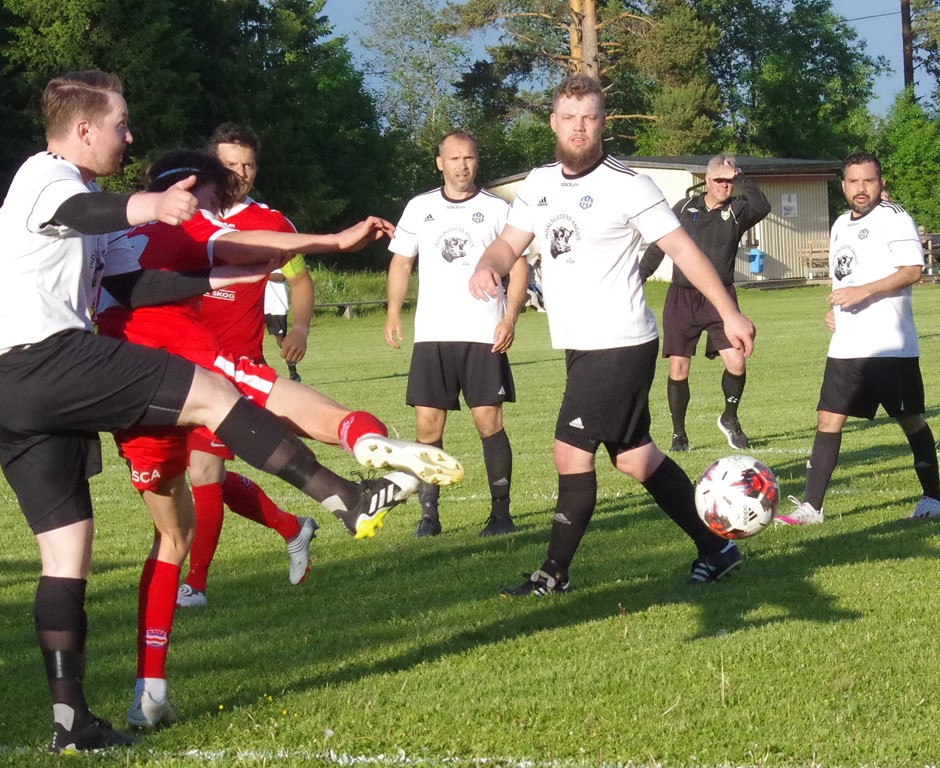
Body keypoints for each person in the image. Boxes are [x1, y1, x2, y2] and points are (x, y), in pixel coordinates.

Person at [0, 70, 462, 754]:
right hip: (38, 362)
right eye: (119, 123)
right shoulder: (49, 178)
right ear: (82, 130)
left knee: (66, 553)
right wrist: (150, 205)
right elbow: (84, 216)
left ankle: (70, 722)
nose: (128, 134)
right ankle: (344, 499)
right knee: (214, 394)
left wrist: (239, 271)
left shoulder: (79, 194)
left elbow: (143, 283)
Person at [97, 148, 466, 731]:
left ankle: (150, 687)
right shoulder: (196, 218)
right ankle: (357, 448)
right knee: (261, 393)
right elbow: (259, 249)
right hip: (174, 346)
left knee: (170, 533)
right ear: (200, 188)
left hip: (114, 373)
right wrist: (337, 241)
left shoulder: (113, 223)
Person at [468, 74, 756, 596]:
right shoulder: (539, 183)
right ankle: (717, 548)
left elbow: (685, 252)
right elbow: (509, 244)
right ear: (555, 122)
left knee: (569, 452)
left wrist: (729, 313)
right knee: (634, 456)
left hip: (620, 341)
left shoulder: (629, 184)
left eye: (590, 118)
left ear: (603, 123)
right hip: (582, 345)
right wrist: (487, 265)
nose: (579, 127)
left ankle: (552, 575)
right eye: (570, 118)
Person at [179, 123, 317, 607]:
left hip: (233, 370)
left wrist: (298, 328)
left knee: (204, 470)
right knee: (184, 476)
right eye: (231, 164)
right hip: (175, 364)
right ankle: (291, 527)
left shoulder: (271, 223)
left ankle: (194, 584)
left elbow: (299, 279)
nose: (241, 173)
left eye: (249, 164)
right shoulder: (182, 214)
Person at [775, 151, 940, 525]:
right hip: (847, 346)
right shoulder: (839, 225)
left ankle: (934, 498)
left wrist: (863, 292)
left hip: (889, 345)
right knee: (827, 419)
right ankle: (811, 508)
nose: (861, 188)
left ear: (881, 183)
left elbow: (913, 270)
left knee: (911, 419)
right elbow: (844, 279)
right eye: (854, 181)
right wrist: (836, 309)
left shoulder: (894, 218)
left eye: (869, 180)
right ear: (843, 186)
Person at [385, 129, 528, 538]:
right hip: (433, 335)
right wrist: (393, 312)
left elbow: (519, 267)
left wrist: (510, 317)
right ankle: (429, 517)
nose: (462, 165)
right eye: (454, 158)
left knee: (489, 422)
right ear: (440, 163)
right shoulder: (419, 208)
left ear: (476, 161)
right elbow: (400, 263)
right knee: (428, 426)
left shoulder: (498, 209)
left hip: (484, 333)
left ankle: (501, 516)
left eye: (469, 158)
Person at [639, 154, 771, 452]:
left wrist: (741, 178)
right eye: (720, 180)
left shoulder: (738, 210)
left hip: (720, 298)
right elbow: (660, 246)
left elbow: (762, 206)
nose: (725, 185)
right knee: (679, 367)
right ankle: (678, 435)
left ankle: (730, 418)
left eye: (730, 180)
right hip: (682, 297)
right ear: (707, 180)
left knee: (736, 361)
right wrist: (638, 277)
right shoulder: (684, 208)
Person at [265, 268, 304, 381]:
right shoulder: (259, 259)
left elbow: (282, 277)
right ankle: (265, 374)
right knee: (253, 341)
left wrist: (262, 275)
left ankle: (294, 373)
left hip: (276, 306)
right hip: (260, 305)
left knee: (281, 342)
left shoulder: (280, 260)